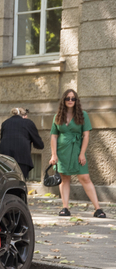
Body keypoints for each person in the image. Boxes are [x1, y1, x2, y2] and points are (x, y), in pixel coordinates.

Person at [49, 89, 106, 218]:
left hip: (77, 150)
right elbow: (53, 136)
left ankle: (98, 209)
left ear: (76, 101)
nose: (70, 101)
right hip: (62, 151)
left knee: (84, 178)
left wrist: (82, 153)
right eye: (68, 98)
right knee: (64, 179)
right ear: (64, 100)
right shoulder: (58, 115)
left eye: (73, 98)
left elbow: (86, 136)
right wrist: (54, 154)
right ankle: (65, 208)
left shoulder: (83, 114)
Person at [0, 107, 44, 179]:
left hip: (5, 159)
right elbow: (39, 144)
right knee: (20, 181)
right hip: (22, 158)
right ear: (25, 115)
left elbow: (2, 139)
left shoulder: (5, 123)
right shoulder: (28, 122)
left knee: (8, 181)